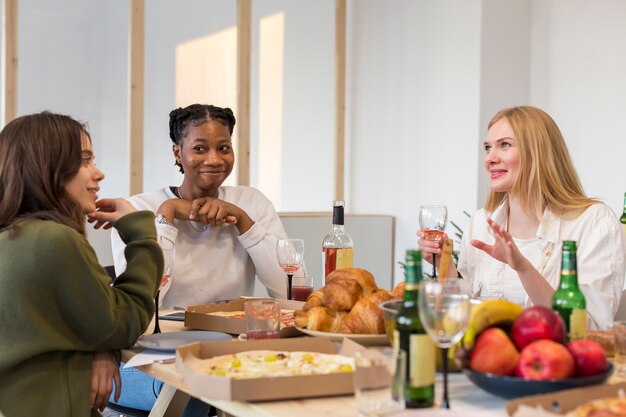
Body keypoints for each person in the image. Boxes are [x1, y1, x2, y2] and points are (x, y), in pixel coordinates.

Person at [109, 103, 288, 413]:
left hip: (226, 352)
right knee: (197, 388)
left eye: (224, 148)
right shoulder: (137, 209)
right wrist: (165, 220)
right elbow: (145, 300)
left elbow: (289, 290)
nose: (214, 159)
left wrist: (244, 223)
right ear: (177, 152)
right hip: (145, 359)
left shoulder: (252, 202)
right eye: (200, 148)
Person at [0, 112, 162, 417]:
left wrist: (102, 346)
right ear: (49, 167)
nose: (98, 173)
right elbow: (124, 323)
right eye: (85, 161)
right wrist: (140, 233)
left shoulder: (12, 237)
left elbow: (90, 318)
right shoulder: (55, 240)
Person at [418, 106, 626, 330]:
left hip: (557, 363)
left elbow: (590, 328)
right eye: (487, 148)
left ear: (538, 152)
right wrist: (446, 269)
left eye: (504, 145)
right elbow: (461, 318)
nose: (490, 158)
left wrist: (522, 267)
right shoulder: (480, 223)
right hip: (486, 361)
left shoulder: (594, 223)